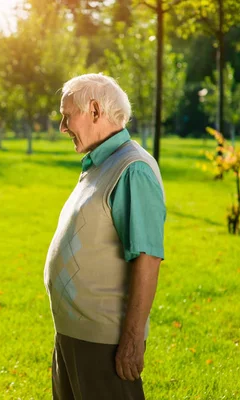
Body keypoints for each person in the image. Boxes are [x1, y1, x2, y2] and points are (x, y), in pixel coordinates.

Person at [44, 73, 166, 400]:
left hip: (103, 341)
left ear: (95, 111)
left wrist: (131, 339)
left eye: (67, 116)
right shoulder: (100, 163)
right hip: (74, 334)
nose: (62, 126)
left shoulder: (132, 168)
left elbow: (147, 258)